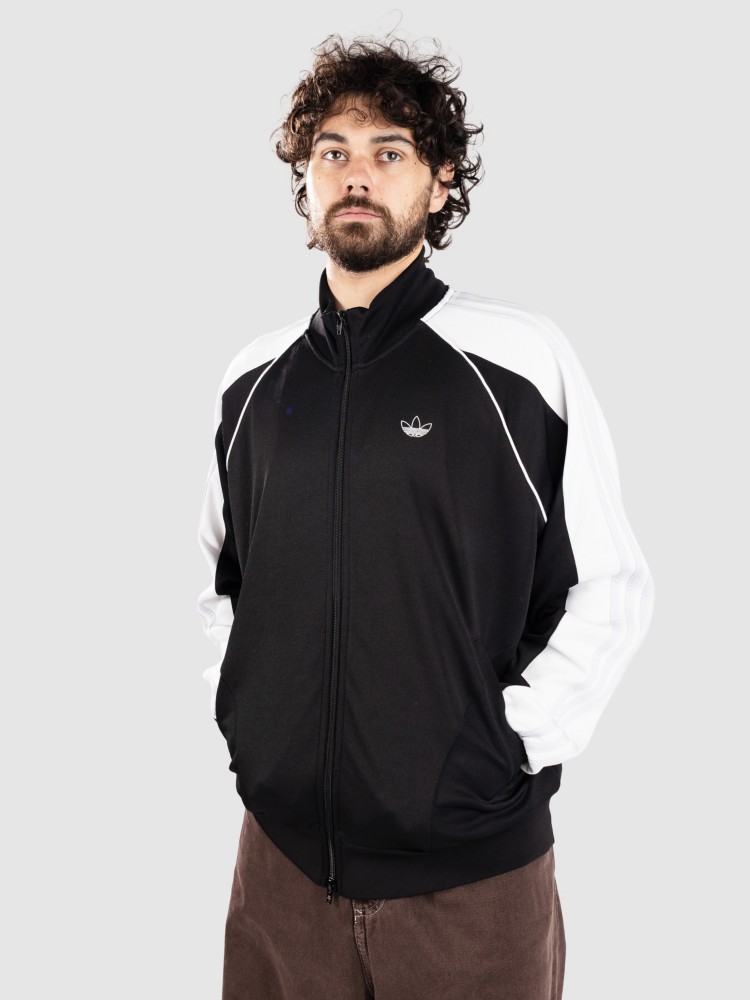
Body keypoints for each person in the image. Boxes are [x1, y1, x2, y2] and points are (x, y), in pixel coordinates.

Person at [196, 31, 655, 1000]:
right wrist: (250, 726)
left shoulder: (518, 364)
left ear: (441, 182)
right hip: (279, 877)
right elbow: (218, 581)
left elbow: (609, 585)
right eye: (332, 151)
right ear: (305, 181)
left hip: (468, 887)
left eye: (389, 151)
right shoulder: (252, 382)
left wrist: (504, 747)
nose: (356, 174)